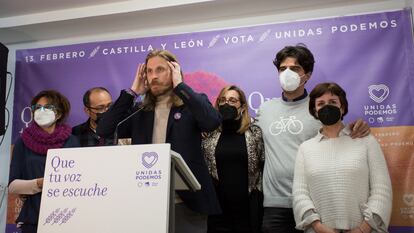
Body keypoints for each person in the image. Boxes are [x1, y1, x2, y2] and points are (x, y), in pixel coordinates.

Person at [96, 49, 222, 233]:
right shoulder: (139, 111)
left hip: (187, 203)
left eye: (160, 70)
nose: (153, 76)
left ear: (174, 70)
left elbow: (212, 122)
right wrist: (132, 92)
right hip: (147, 203)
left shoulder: (191, 105)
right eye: (149, 71)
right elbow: (104, 130)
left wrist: (180, 86)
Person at [255, 44, 370, 233]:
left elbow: (341, 139)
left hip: (315, 203)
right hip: (275, 205)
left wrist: (360, 127)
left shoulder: (319, 109)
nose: (287, 73)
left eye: (295, 68)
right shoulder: (265, 110)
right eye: (283, 69)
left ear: (307, 75)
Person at [292, 82, 392, 233]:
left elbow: (381, 190)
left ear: (343, 107)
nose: (327, 107)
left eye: (333, 102)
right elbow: (300, 194)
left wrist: (363, 229)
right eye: (321, 103)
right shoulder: (305, 148)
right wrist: (318, 227)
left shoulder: (366, 141)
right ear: (315, 110)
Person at [8, 90, 80, 233]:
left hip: (66, 217)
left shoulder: (72, 141)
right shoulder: (22, 142)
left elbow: (79, 181)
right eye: (37, 107)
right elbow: (13, 186)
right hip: (33, 218)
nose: (41, 111)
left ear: (59, 113)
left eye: (47, 107)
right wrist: (38, 183)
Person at [202, 85, 265, 233]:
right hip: (217, 211)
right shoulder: (208, 134)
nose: (226, 104)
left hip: (248, 210)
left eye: (232, 100)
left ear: (242, 106)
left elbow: (262, 164)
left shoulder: (254, 132)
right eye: (222, 100)